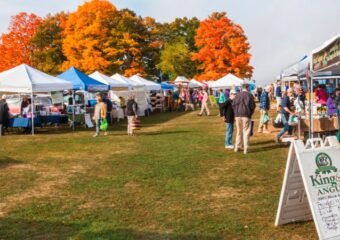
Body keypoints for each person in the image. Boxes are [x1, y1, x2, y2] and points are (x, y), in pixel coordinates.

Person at [232, 84, 256, 154]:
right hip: (246, 114)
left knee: (239, 131)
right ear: (247, 88)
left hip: (238, 115)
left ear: (242, 88)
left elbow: (233, 105)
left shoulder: (237, 95)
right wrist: (250, 113)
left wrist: (236, 112)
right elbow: (252, 106)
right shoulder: (249, 95)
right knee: (246, 132)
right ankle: (246, 148)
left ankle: (237, 147)